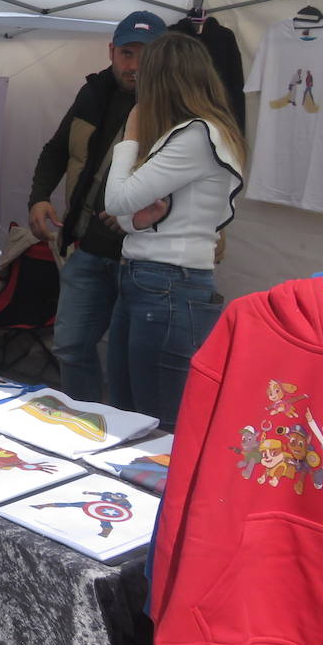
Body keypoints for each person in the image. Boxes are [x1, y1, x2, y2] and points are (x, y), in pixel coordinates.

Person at [102, 32, 245, 427]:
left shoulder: (197, 135)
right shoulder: (191, 133)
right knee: (130, 413)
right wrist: (138, 219)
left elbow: (115, 201)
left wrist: (130, 136)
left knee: (154, 422)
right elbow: (129, 215)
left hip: (167, 283)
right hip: (153, 279)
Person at [26, 10, 167, 399]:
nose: (134, 65)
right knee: (70, 346)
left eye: (146, 54)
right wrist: (39, 197)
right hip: (88, 246)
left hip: (142, 257)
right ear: (111, 51)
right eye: (126, 53)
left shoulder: (177, 105)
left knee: (132, 363)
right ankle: (84, 421)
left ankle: (127, 439)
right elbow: (56, 150)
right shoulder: (94, 91)